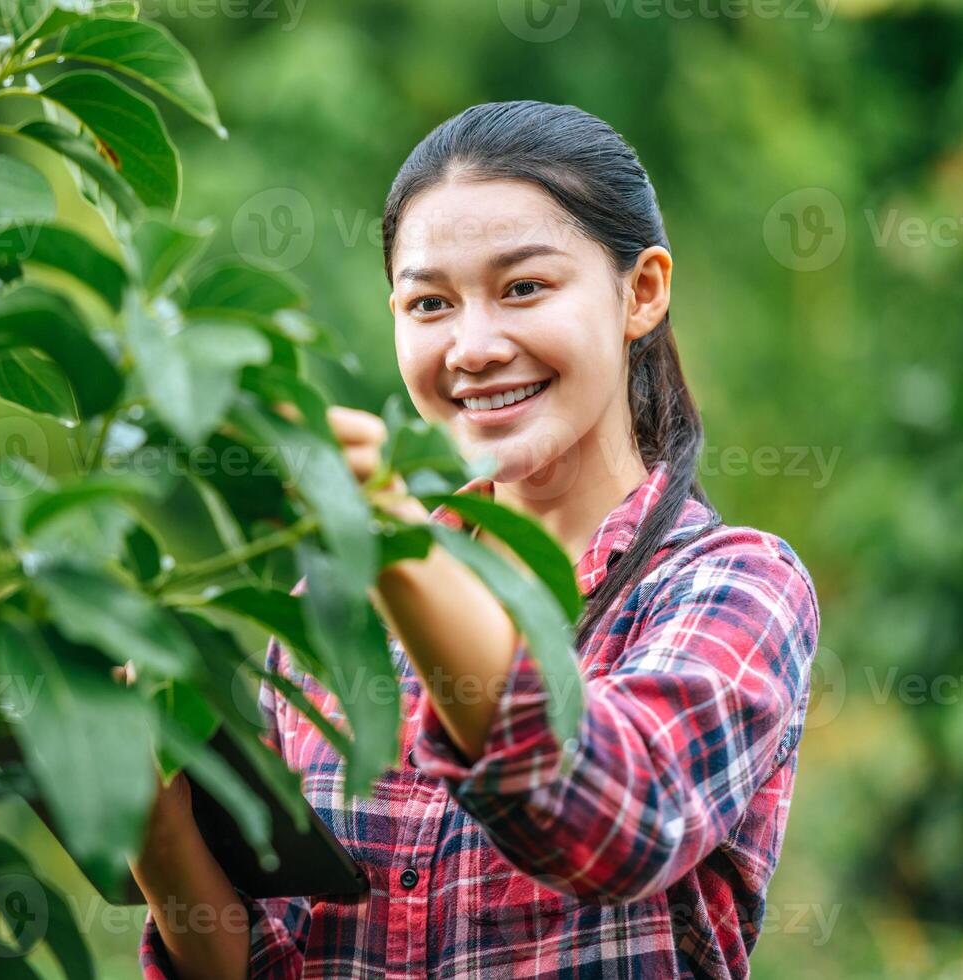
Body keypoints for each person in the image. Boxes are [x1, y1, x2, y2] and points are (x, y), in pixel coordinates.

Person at [131, 100, 821, 979]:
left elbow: (619, 824)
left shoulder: (731, 587)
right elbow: (279, 956)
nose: (473, 346)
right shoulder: (331, 611)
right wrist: (154, 828)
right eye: (429, 303)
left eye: (524, 288)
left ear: (640, 292)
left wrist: (384, 534)